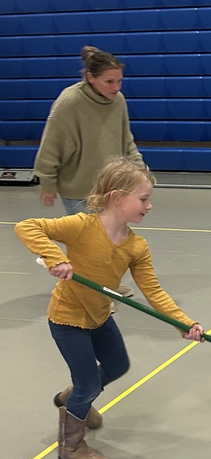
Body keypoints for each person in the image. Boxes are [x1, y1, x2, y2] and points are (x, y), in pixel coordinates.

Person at [15, 158, 205, 459]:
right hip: (67, 319)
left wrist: (183, 322)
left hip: (101, 317)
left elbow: (154, 292)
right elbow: (27, 226)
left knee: (118, 365)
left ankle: (72, 398)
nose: (150, 205)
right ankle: (71, 445)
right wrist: (55, 258)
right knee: (88, 382)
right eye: (143, 199)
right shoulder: (80, 226)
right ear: (117, 197)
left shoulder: (137, 246)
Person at [34, 45, 143, 297]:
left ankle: (106, 287)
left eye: (119, 81)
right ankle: (94, 296)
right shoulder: (69, 102)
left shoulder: (119, 101)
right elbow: (51, 144)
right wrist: (48, 181)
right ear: (90, 78)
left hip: (113, 187)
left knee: (113, 243)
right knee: (92, 245)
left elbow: (126, 139)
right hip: (79, 187)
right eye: (109, 81)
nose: (116, 88)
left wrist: (138, 169)